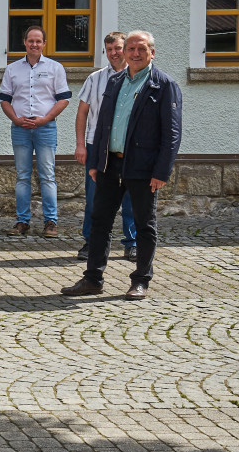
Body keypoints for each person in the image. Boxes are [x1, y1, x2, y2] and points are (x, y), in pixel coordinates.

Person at [62, 31, 182, 301]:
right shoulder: (115, 80)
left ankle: (140, 281)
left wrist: (161, 172)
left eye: (141, 49)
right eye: (131, 49)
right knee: (99, 221)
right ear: (125, 52)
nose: (135, 54)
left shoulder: (164, 85)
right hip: (109, 165)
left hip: (143, 168)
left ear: (152, 52)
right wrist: (95, 162)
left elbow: (172, 134)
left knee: (144, 224)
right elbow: (103, 123)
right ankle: (93, 278)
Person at [0, 25, 70, 237]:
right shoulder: (12, 69)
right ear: (25, 42)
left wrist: (45, 119)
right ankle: (22, 222)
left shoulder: (55, 68)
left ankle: (51, 222)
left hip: (46, 128)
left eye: (38, 41)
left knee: (47, 175)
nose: (34, 44)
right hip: (20, 129)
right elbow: (4, 100)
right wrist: (16, 119)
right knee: (22, 176)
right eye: (31, 40)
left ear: (44, 44)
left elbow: (64, 98)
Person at [74, 32, 137, 261]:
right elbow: (82, 113)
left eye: (118, 48)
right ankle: (91, 242)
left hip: (129, 147)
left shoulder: (138, 78)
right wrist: (81, 145)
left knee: (131, 198)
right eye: (109, 49)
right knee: (94, 198)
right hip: (96, 146)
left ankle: (132, 243)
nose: (113, 53)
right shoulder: (95, 79)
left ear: (126, 48)